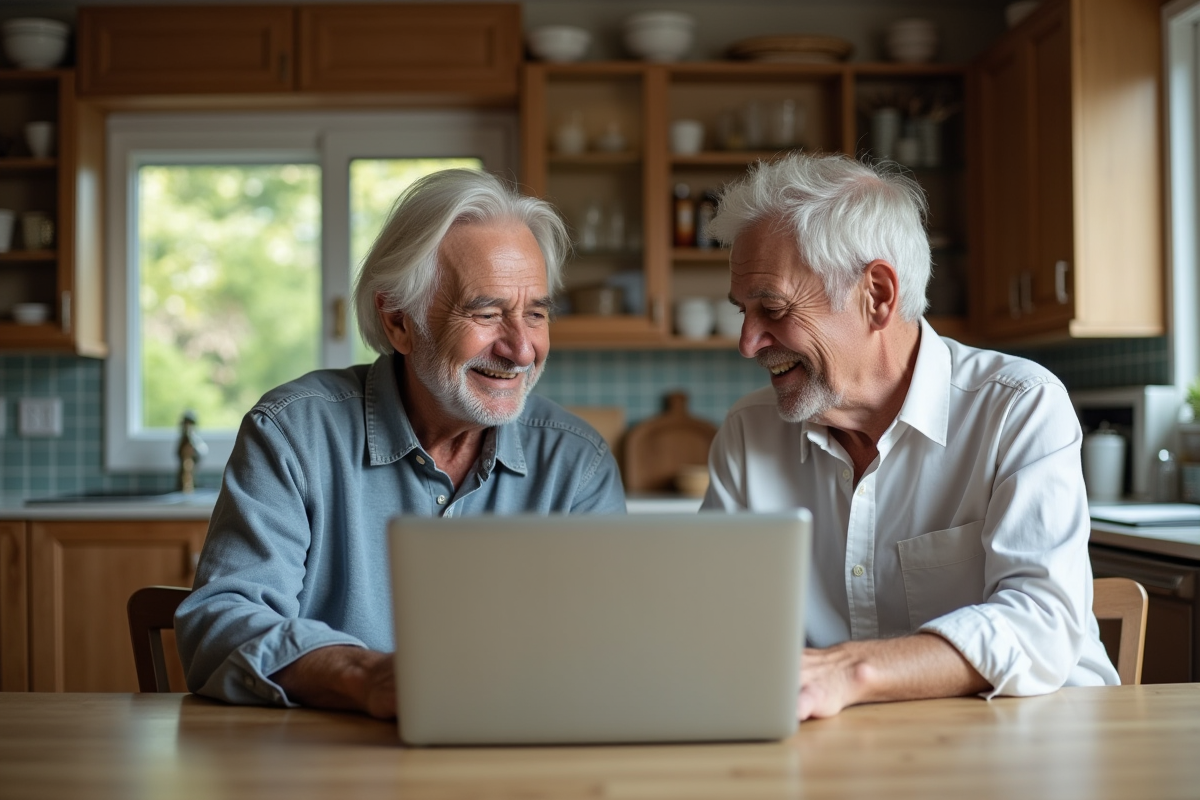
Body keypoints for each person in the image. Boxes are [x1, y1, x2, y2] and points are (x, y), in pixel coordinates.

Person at [176, 169, 626, 717]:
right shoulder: (293, 434)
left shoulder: (577, 465)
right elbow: (219, 622)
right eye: (487, 313)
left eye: (535, 313)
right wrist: (363, 677)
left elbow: (610, 650)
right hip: (325, 756)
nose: (522, 349)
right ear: (398, 322)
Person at [702, 153, 1118, 720]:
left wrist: (852, 671)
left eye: (772, 309)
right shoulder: (748, 434)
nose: (748, 342)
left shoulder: (1018, 407)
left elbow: (1042, 623)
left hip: (1032, 734)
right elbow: (715, 623)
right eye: (743, 313)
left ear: (876, 295)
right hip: (842, 744)